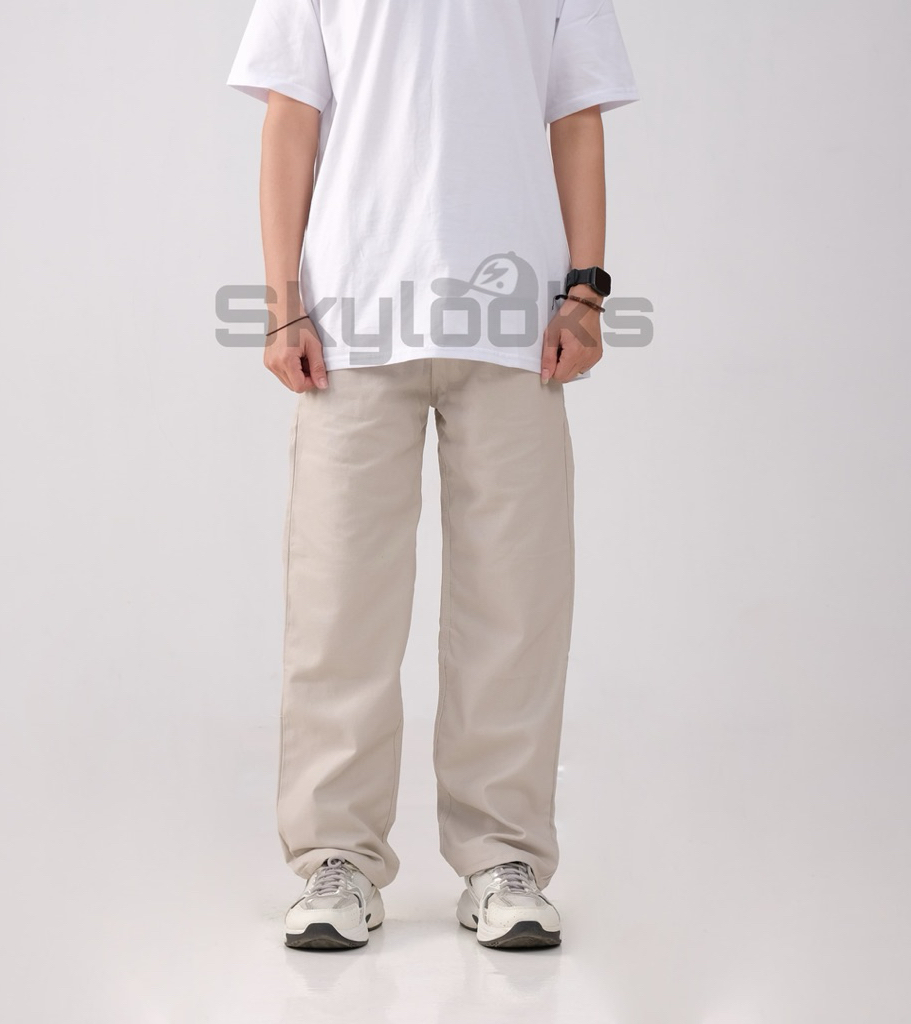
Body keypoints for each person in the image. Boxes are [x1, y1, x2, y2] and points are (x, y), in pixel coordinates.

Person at [226, 0, 639, 951]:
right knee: (339, 603)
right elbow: (290, 116)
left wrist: (585, 292)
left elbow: (575, 115)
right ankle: (336, 858)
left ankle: (503, 857)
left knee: (516, 605)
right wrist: (284, 306)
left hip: (517, 329)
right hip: (351, 322)